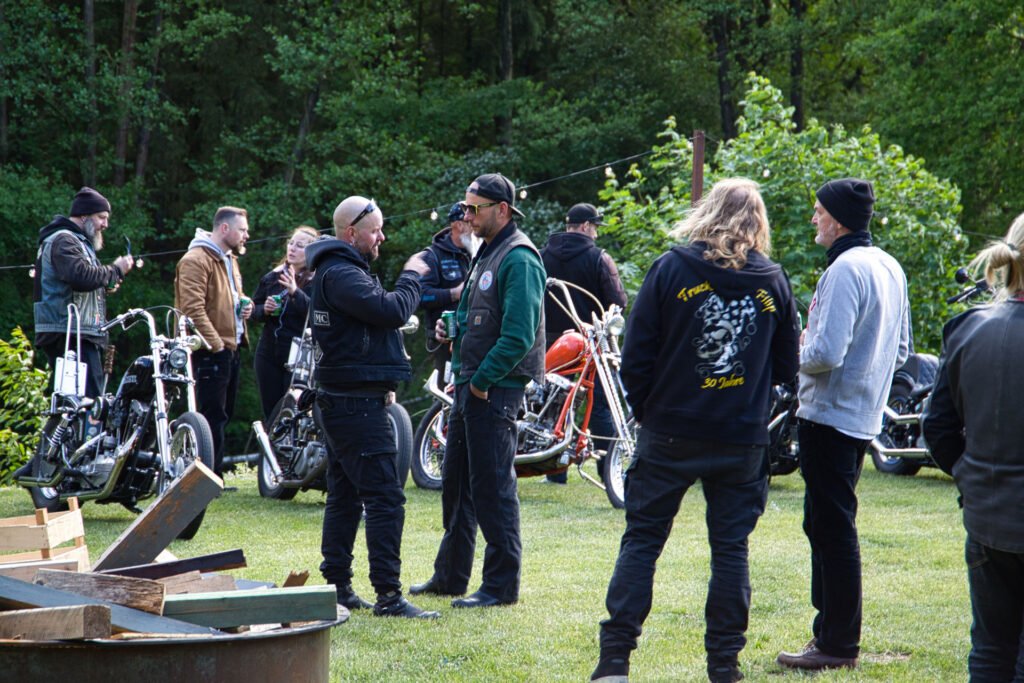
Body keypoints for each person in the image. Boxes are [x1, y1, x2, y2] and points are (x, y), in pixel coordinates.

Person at [590, 178, 800, 683]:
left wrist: (649, 412)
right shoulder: (772, 282)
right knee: (731, 551)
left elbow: (635, 356)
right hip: (739, 437)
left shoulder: (672, 268)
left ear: (708, 211)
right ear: (758, 222)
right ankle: (724, 668)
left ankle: (614, 663)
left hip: (670, 430)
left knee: (642, 540)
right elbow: (786, 368)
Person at [777, 178, 910, 671]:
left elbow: (825, 352)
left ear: (837, 219)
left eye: (817, 212)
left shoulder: (844, 268)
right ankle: (830, 634)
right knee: (827, 522)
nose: (813, 219)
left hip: (828, 417)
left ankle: (835, 643)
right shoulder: (889, 266)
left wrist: (791, 350)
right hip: (862, 416)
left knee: (832, 528)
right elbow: (898, 351)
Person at [410, 173, 545, 609]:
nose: (466, 216)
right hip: (470, 383)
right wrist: (451, 329)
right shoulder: (487, 253)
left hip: (494, 388)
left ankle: (500, 587)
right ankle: (450, 576)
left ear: (501, 210)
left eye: (474, 208)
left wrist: (484, 381)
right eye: (465, 208)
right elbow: (476, 317)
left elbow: (519, 335)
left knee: (493, 489)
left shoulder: (519, 257)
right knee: (456, 484)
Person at [305, 195, 438, 620]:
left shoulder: (339, 270)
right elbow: (392, 310)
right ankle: (389, 597)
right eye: (376, 230)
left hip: (346, 400)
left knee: (344, 497)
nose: (382, 236)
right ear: (351, 233)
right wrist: (412, 277)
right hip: (355, 406)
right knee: (384, 498)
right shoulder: (342, 274)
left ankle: (338, 588)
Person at [922, 213, 1024, 682]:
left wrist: (971, 473)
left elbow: (937, 428)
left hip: (985, 516)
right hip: (990, 508)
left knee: (989, 652)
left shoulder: (968, 328)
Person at [541, 202, 627, 484]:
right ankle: (609, 473)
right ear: (586, 226)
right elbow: (618, 302)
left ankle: (555, 472)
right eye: (595, 228)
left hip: (551, 344)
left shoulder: (541, 257)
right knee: (600, 405)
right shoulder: (599, 258)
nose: (597, 234)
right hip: (591, 343)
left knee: (555, 406)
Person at [174, 206, 253, 478]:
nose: (247, 235)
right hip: (208, 352)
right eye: (242, 230)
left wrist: (246, 306)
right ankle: (205, 478)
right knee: (210, 419)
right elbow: (192, 309)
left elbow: (233, 298)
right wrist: (217, 344)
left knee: (222, 416)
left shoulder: (229, 259)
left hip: (230, 349)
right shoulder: (196, 259)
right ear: (225, 229)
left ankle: (213, 477)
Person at [33, 186, 134, 399]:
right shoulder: (64, 239)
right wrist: (116, 270)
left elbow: (83, 280)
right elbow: (80, 276)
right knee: (86, 407)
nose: (105, 224)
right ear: (85, 215)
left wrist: (107, 284)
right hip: (68, 333)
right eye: (101, 217)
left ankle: (59, 433)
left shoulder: (76, 242)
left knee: (73, 408)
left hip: (76, 332)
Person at [250, 225, 318, 421]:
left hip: (300, 357)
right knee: (271, 411)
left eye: (299, 246)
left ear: (311, 252)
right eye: (291, 243)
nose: (292, 248)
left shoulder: (317, 280)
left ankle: (292, 449)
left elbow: (316, 315)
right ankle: (271, 450)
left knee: (295, 410)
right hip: (269, 353)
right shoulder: (273, 277)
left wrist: (295, 292)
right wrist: (265, 309)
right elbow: (254, 310)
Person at [418, 203, 473, 390]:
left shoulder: (475, 253)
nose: (474, 224)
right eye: (469, 220)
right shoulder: (432, 255)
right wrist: (454, 293)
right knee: (446, 394)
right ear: (458, 225)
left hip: (473, 337)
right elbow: (420, 296)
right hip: (444, 339)